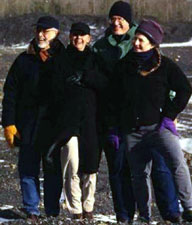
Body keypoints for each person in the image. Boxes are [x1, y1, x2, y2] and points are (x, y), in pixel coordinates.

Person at [93, 1, 179, 223]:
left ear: (129, 20)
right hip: (116, 116)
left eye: (121, 18)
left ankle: (171, 212)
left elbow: (164, 76)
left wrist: (170, 113)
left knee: (160, 167)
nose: (116, 22)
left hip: (150, 116)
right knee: (120, 168)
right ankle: (125, 215)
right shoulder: (100, 47)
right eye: (113, 18)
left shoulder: (144, 38)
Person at [114, 19, 192, 224]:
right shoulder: (124, 66)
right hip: (133, 131)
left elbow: (185, 89)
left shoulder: (165, 65)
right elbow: (114, 97)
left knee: (177, 164)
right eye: (135, 39)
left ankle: (188, 208)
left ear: (152, 43)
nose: (136, 43)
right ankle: (145, 216)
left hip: (159, 128)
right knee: (139, 175)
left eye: (141, 40)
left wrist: (169, 115)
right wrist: (118, 125)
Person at [2, 16, 64, 223]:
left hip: (53, 126)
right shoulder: (23, 60)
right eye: (38, 30)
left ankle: (52, 210)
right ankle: (32, 210)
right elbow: (10, 93)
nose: (41, 34)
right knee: (27, 169)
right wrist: (8, 123)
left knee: (52, 169)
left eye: (46, 31)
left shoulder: (64, 59)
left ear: (56, 33)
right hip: (27, 125)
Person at [48, 22, 107, 220]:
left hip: (91, 121)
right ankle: (75, 209)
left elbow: (106, 84)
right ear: (70, 37)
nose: (78, 39)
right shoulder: (61, 60)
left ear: (89, 38)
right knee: (71, 163)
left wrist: (86, 77)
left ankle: (88, 206)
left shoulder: (96, 59)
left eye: (83, 35)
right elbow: (53, 89)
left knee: (90, 166)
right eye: (75, 35)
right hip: (68, 122)